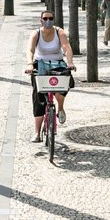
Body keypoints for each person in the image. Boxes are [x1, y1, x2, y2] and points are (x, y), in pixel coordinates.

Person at [24, 9, 77, 142]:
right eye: (45, 19)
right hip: (40, 63)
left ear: (54, 20)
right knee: (39, 97)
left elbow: (66, 47)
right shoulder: (36, 34)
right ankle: (37, 133)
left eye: (50, 18)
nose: (48, 21)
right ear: (41, 20)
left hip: (57, 63)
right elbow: (30, 50)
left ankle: (60, 108)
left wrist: (70, 62)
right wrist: (30, 64)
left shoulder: (59, 32)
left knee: (65, 82)